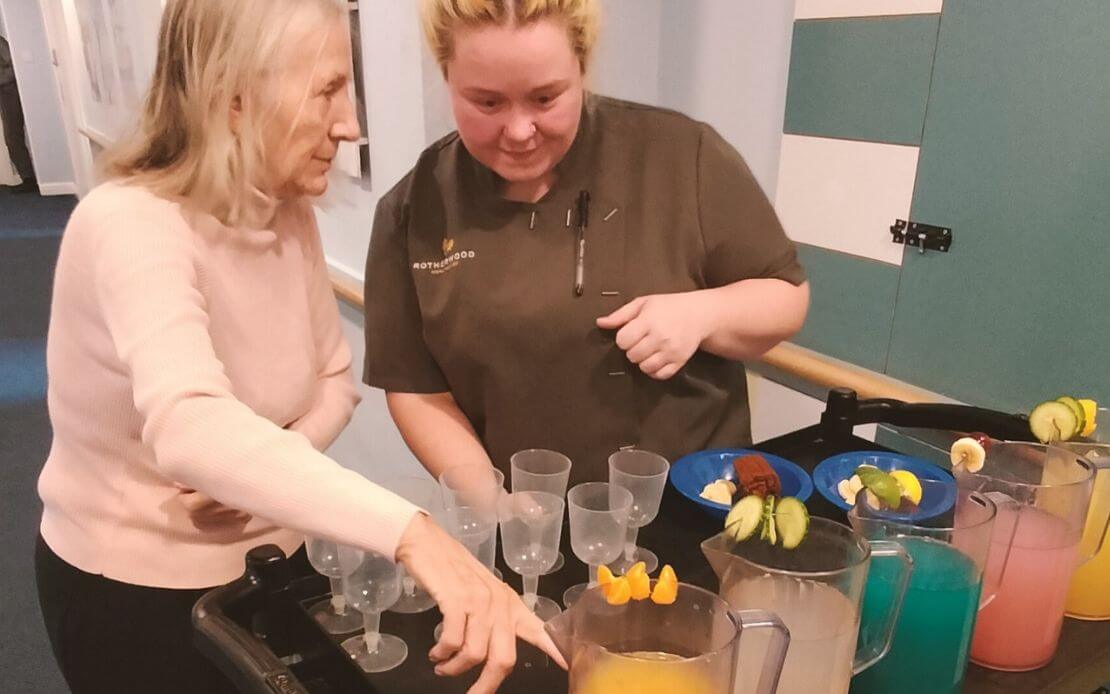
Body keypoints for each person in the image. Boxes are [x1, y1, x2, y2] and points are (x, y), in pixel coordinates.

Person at [34, 2, 559, 693]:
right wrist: (412, 533)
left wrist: (258, 472)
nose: (350, 125)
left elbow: (335, 380)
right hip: (136, 597)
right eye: (328, 89)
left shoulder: (285, 211)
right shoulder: (129, 223)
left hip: (271, 565)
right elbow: (189, 426)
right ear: (234, 96)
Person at [363, 0, 810, 488]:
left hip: (695, 513)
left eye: (546, 98)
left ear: (582, 67)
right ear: (447, 78)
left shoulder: (683, 155)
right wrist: (489, 499)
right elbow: (418, 391)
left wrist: (703, 314)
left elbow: (786, 297)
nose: (518, 131)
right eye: (487, 103)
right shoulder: (412, 211)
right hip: (532, 522)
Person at [0, 34, 37, 193]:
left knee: (12, 136)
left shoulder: (0, 43)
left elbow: (12, 67)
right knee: (12, 137)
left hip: (9, 91)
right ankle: (28, 178)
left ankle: (29, 179)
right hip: (5, 91)